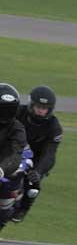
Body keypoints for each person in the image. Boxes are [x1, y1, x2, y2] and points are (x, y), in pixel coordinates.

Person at [12, 85, 63, 223]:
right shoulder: (17, 112)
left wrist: (38, 172)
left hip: (36, 159)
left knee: (33, 184)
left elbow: (50, 154)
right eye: (38, 106)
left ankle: (23, 208)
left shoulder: (54, 128)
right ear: (31, 104)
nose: (41, 110)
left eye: (44, 108)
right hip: (12, 151)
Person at [0, 83, 26, 228]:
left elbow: (16, 154)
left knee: (5, 204)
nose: (4, 114)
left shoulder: (17, 129)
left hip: (4, 169)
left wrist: (2, 169)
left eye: (8, 110)